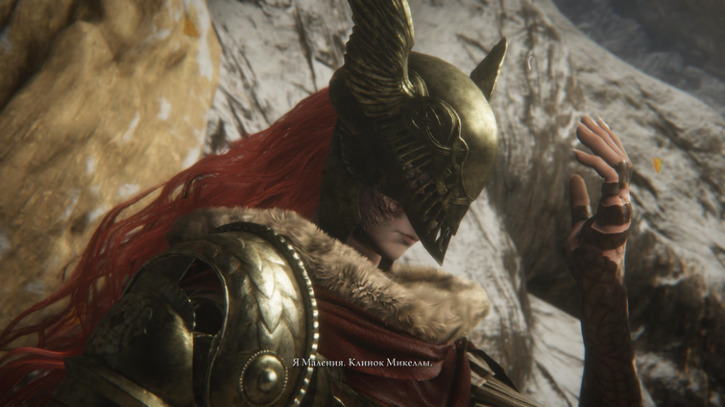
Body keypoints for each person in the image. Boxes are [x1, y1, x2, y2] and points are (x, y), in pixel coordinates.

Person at [0, 0, 642, 405]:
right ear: (351, 155)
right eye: (401, 189)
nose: (416, 221)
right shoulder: (230, 288)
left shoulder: (442, 358)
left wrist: (602, 298)